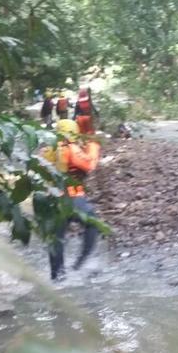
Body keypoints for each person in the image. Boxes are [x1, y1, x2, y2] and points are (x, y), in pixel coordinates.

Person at [42, 119, 102, 280]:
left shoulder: (48, 150)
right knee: (92, 222)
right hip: (72, 198)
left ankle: (57, 276)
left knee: (56, 239)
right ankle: (80, 263)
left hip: (51, 200)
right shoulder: (70, 148)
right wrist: (93, 146)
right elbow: (89, 165)